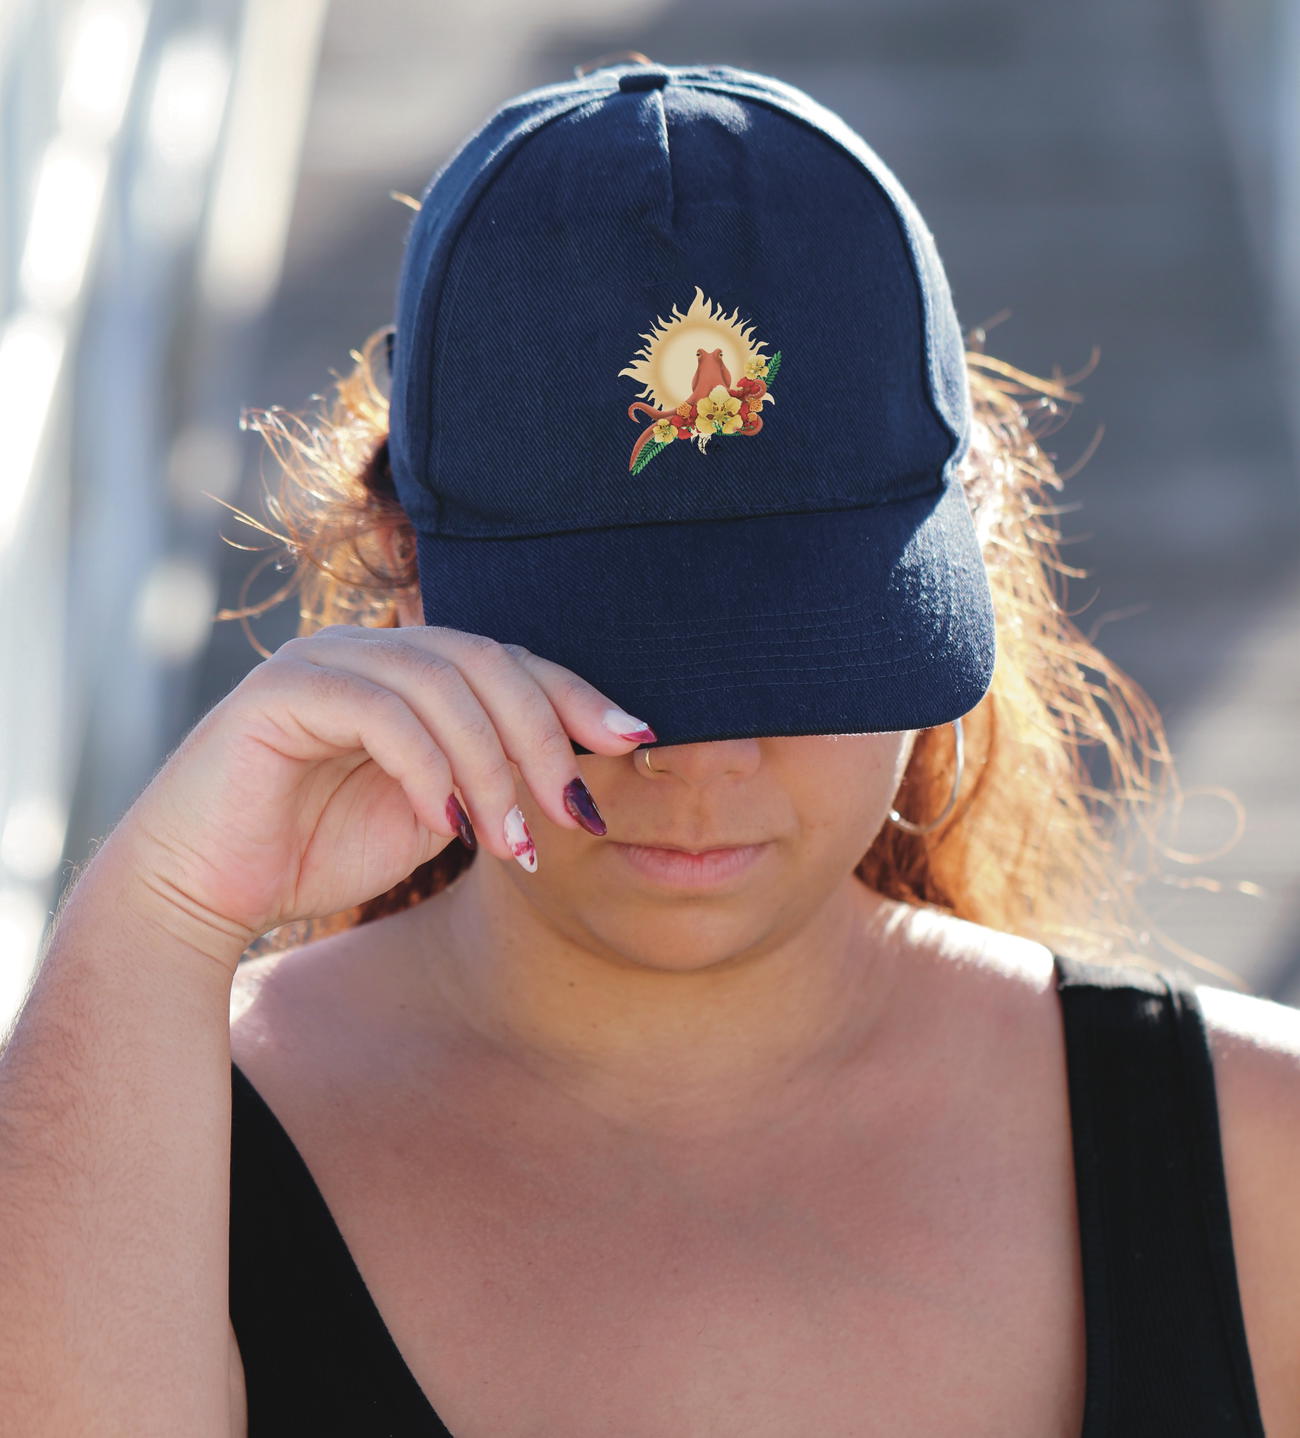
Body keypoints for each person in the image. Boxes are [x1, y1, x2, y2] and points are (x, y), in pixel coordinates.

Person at [3, 54, 1297, 1438]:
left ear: (968, 558)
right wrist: (167, 906)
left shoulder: (1260, 1155)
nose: (699, 758)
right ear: (405, 570)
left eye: (791, 650)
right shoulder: (154, 1167)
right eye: (616, 662)